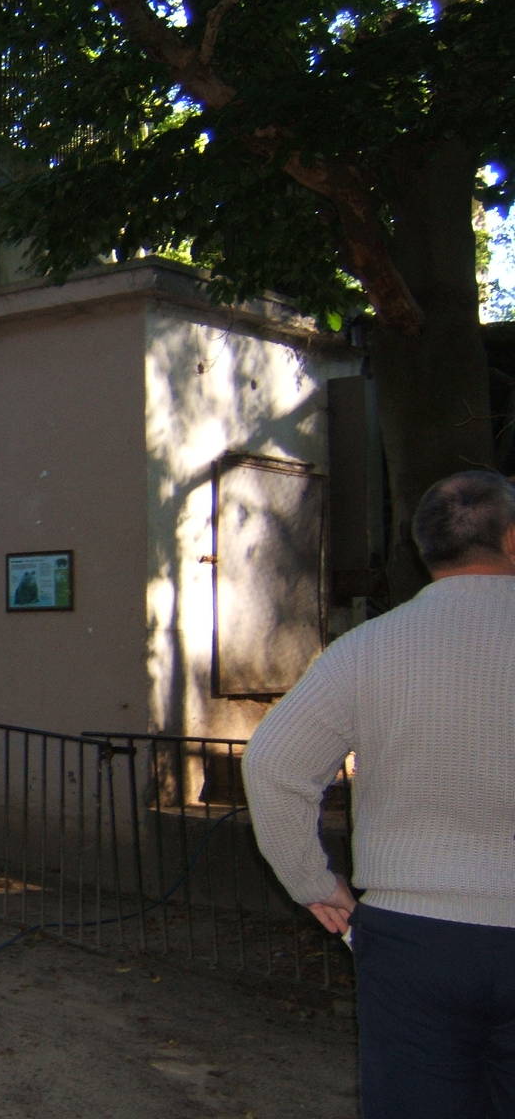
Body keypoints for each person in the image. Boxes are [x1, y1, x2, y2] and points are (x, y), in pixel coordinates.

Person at [243, 469, 515, 1118]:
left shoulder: (366, 649)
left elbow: (272, 762)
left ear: (425, 548)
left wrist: (312, 882)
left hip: (412, 941)